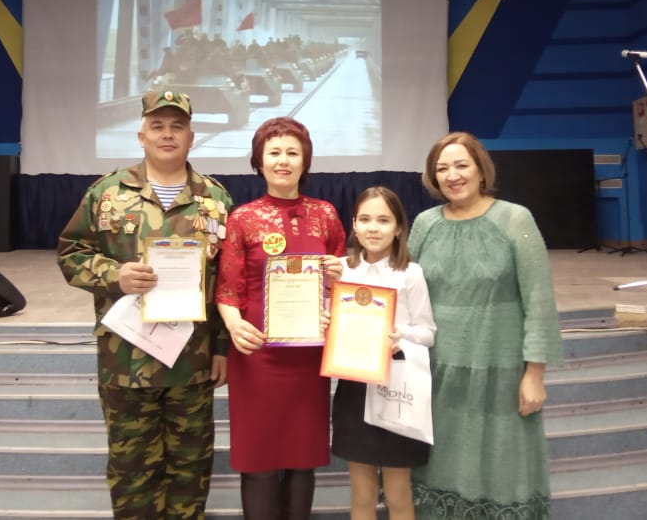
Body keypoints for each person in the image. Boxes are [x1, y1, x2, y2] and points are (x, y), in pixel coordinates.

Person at [57, 88, 234, 520]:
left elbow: (226, 282)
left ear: (191, 137)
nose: (167, 134)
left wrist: (221, 348)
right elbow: (71, 253)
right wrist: (113, 275)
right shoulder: (107, 193)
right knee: (132, 471)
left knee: (190, 469)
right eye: (157, 126)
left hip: (191, 361)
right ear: (141, 135)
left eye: (177, 126)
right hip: (126, 360)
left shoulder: (216, 200)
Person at [408, 131, 564, 519]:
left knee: (501, 466)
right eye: (442, 168)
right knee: (440, 465)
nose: (452, 175)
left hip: (499, 370)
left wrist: (535, 373)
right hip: (436, 373)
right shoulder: (425, 223)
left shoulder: (514, 218)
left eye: (462, 165)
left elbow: (539, 299)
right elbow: (401, 289)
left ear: (481, 170)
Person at [216, 116, 346, 520]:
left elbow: (342, 282)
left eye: (293, 152)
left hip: (308, 356)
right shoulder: (243, 218)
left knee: (303, 457)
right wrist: (233, 324)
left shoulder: (326, 214)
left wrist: (339, 281)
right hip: (256, 354)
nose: (283, 161)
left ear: (305, 161)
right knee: (258, 458)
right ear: (259, 161)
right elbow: (228, 288)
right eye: (274, 153)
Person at [331, 186, 437, 520]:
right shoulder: (342, 270)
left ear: (399, 227)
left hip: (398, 388)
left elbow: (428, 332)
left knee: (397, 492)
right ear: (354, 225)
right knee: (361, 492)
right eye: (364, 219)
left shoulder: (410, 273)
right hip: (355, 388)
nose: (373, 228)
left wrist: (399, 335)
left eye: (383, 220)